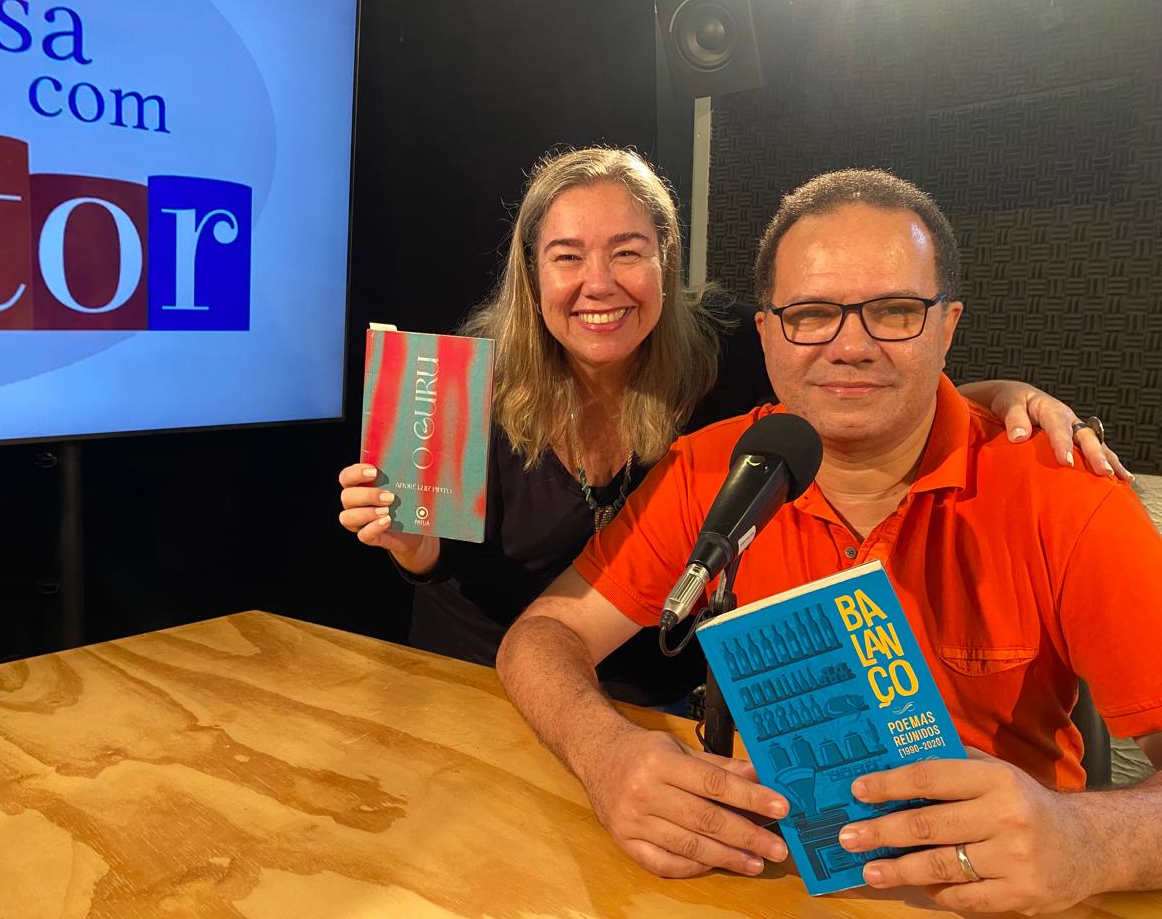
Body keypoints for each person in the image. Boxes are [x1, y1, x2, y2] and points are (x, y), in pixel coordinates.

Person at [494, 169, 1162, 915]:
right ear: (766, 334)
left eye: (895, 311)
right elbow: (542, 637)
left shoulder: (1065, 493)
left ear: (948, 325)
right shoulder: (711, 470)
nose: (851, 347)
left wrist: (1089, 840)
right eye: (812, 314)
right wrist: (605, 754)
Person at [339, 147, 1124, 708]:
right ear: (532, 274)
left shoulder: (730, 352)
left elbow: (862, 382)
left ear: (667, 260)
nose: (598, 283)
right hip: (477, 675)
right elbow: (446, 566)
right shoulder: (464, 384)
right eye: (568, 257)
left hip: (654, 692)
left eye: (627, 252)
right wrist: (409, 544)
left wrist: (1008, 397)